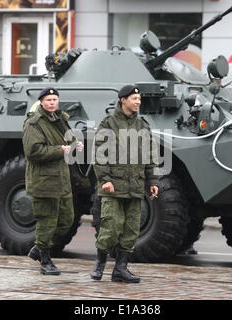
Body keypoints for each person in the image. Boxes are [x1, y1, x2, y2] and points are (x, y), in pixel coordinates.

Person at [91, 85, 159, 283]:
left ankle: (121, 269)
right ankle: (99, 265)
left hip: (135, 186)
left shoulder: (143, 125)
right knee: (110, 228)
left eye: (139, 99)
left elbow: (150, 155)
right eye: (134, 98)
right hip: (113, 186)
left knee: (131, 230)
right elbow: (99, 154)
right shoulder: (109, 123)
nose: (138, 102)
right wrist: (105, 180)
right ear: (123, 100)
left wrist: (153, 180)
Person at [22, 87, 83, 275]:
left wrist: (75, 143)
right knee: (47, 221)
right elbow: (33, 152)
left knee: (66, 219)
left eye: (55, 99)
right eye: (48, 100)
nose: (52, 103)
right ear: (41, 102)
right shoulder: (34, 123)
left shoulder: (60, 119)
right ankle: (45, 260)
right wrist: (60, 150)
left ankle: (39, 248)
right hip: (44, 180)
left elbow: (68, 138)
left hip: (61, 179)